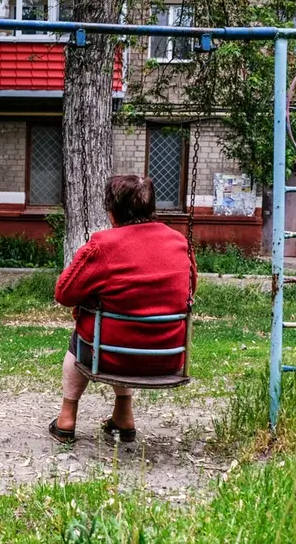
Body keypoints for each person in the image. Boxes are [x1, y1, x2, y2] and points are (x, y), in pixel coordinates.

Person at [49, 175, 197, 443]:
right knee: (122, 327)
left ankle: (66, 419)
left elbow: (64, 294)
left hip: (111, 356)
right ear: (153, 209)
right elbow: (191, 289)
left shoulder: (103, 245)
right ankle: (123, 416)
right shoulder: (179, 242)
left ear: (112, 211)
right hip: (168, 355)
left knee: (85, 337)